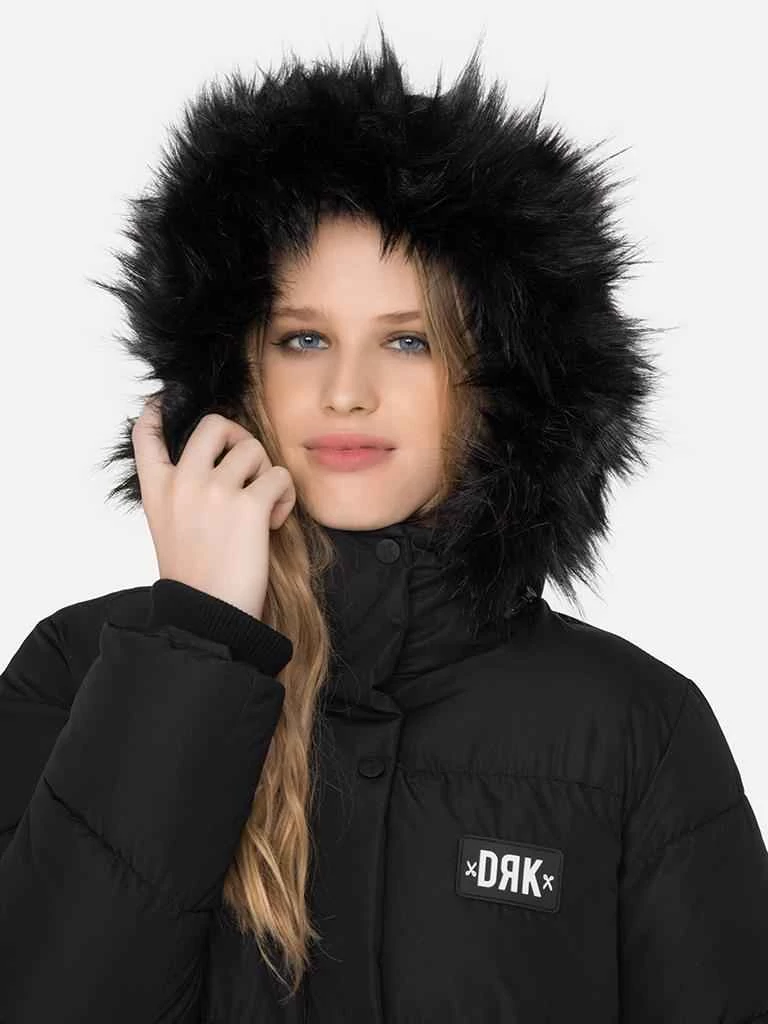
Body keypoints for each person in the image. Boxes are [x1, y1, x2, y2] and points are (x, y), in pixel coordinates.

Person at [1, 27, 767, 1024]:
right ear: (235, 370)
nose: (347, 391)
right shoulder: (83, 672)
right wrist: (197, 645)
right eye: (302, 338)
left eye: (409, 341)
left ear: (504, 383)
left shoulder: (631, 731)